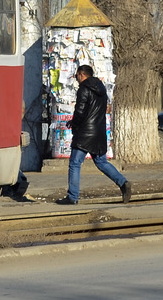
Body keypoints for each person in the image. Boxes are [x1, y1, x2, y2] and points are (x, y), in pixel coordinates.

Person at [56, 63, 132, 205]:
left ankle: (72, 197)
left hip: (85, 133)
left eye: (77, 76)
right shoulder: (101, 89)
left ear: (82, 74)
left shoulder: (84, 89)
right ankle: (123, 183)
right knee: (101, 162)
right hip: (99, 132)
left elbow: (80, 111)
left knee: (75, 163)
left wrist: (74, 125)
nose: (77, 79)